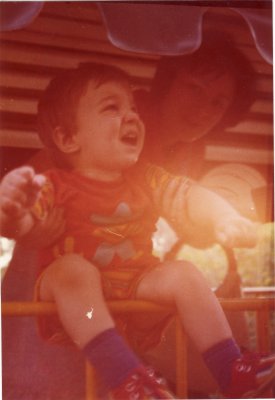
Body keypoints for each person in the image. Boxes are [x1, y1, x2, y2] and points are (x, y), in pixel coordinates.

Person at [0, 62, 274, 399]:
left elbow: (189, 196)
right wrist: (16, 214)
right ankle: (126, 379)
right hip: (74, 300)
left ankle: (231, 368)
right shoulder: (62, 175)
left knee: (184, 274)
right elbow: (27, 210)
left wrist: (223, 219)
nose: (131, 116)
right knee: (73, 280)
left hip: (129, 291)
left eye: (219, 102)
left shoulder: (153, 170)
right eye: (195, 89)